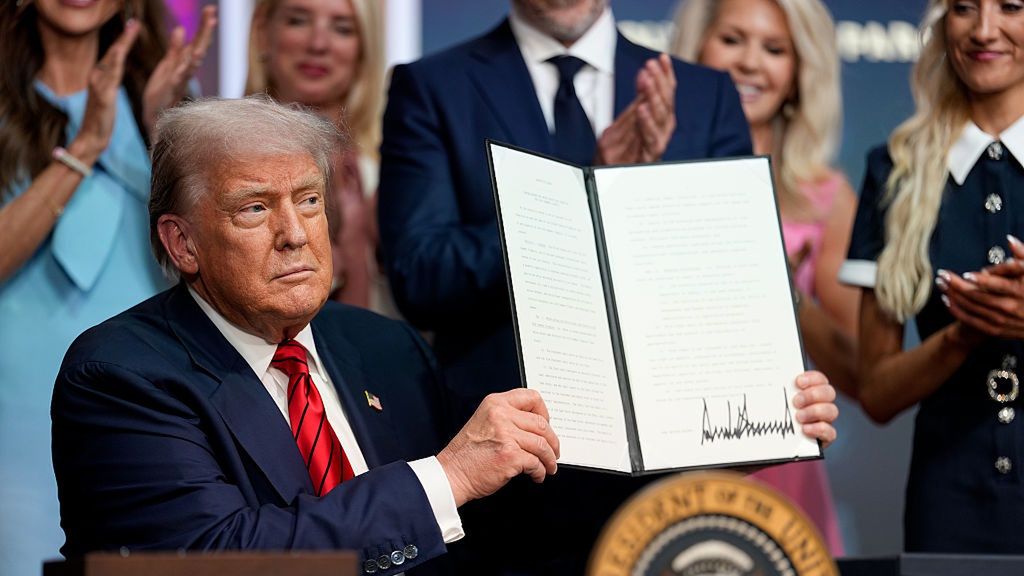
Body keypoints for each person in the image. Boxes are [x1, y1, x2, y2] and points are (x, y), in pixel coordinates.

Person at [378, 0, 837, 572]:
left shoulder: (701, 93)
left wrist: (775, 400)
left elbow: (724, 284)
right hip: (506, 489)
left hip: (669, 497)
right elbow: (420, 274)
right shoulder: (433, 85)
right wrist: (578, 190)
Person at [51, 97, 563, 576]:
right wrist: (445, 477)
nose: (294, 233)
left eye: (309, 200)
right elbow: (217, 557)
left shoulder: (389, 348)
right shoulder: (120, 377)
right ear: (183, 243)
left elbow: (473, 532)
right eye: (254, 208)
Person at [0, 2, 215, 574]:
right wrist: (85, 148)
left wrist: (163, 132)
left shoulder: (164, 89)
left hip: (147, 391)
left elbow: (206, 260)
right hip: (15, 403)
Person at [671, 0, 858, 555]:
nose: (751, 63)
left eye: (775, 49)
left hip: (778, 461)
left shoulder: (826, 196)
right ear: (697, 47)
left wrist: (784, 292)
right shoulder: (645, 167)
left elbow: (855, 370)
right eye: (732, 40)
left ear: (800, 73)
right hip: (664, 458)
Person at [840, 0, 1024, 552]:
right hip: (948, 500)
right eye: (965, 7)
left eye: (1011, 6)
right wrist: (966, 330)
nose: (984, 29)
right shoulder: (893, 169)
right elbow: (876, 392)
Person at [246, 0, 391, 314]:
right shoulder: (221, 167)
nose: (318, 44)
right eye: (298, 21)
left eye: (342, 29)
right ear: (262, 33)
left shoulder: (390, 173)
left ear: (364, 49)